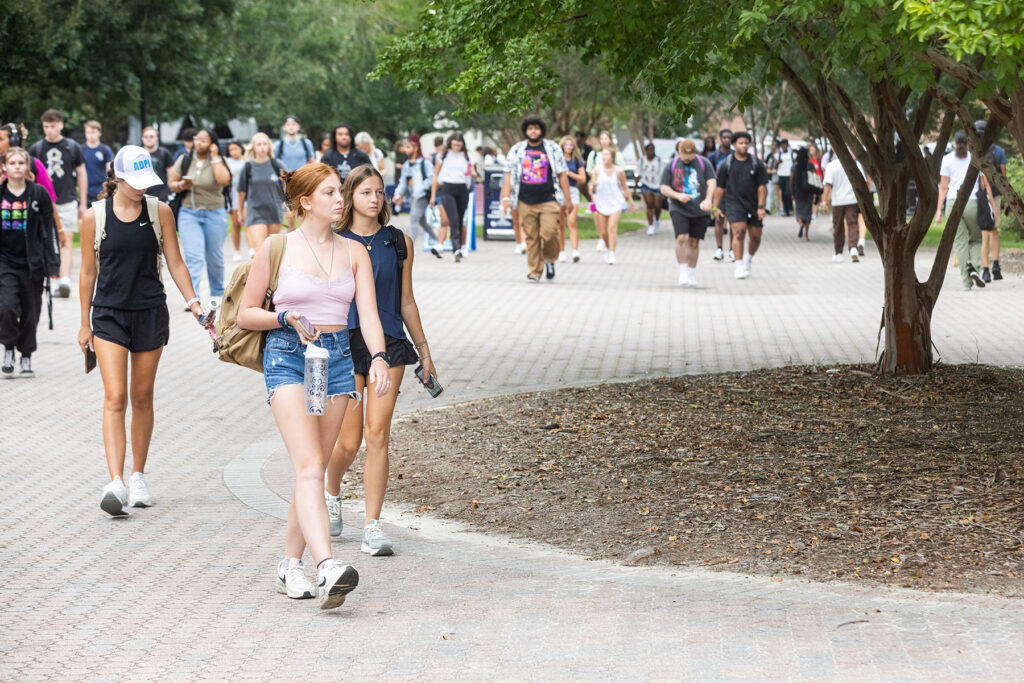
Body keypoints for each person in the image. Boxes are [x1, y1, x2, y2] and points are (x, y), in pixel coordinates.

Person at [236, 162, 390, 610]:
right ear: (305, 201)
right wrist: (283, 316)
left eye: (339, 192)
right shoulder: (277, 247)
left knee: (314, 471)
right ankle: (327, 565)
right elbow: (247, 313)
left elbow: (371, 315)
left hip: (338, 360)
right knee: (307, 466)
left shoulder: (353, 251)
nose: (339, 199)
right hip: (287, 356)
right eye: (328, 193)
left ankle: (289, 565)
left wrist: (378, 357)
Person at [76, 146, 209, 515]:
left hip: (150, 311)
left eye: (144, 182)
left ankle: (138, 475)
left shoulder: (159, 211)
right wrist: (83, 322)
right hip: (108, 315)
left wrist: (195, 303)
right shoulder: (94, 216)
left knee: (142, 396)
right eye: (133, 182)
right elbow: (88, 272)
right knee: (115, 396)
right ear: (116, 178)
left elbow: (176, 262)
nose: (140, 188)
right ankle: (115, 481)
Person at [325, 164, 437, 556]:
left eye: (380, 192)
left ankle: (373, 526)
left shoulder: (398, 241)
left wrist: (423, 350)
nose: (375, 200)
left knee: (377, 434)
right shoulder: (334, 241)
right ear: (349, 196)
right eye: (366, 193)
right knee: (348, 441)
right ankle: (331, 491)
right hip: (343, 343)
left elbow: (406, 300)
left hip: (389, 343)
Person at [0, 147, 59, 378]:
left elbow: (50, 230)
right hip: (5, 262)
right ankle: (8, 349)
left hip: (32, 264)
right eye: (11, 162)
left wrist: (53, 264)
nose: (16, 166)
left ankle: (26, 356)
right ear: (4, 167)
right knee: (6, 308)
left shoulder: (39, 194)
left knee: (30, 312)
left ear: (27, 167)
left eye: (20, 163)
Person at [500, 117, 573, 282]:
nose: (533, 131)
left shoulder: (552, 148)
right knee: (531, 237)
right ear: (525, 131)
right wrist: (505, 198)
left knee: (549, 233)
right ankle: (534, 272)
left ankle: (549, 259)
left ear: (541, 130)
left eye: (536, 128)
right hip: (524, 200)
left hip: (549, 199)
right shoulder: (517, 150)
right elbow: (508, 175)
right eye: (530, 129)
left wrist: (568, 200)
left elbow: (562, 174)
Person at [167, 128, 231, 308]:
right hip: (189, 213)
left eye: (204, 140)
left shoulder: (219, 160)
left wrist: (216, 156)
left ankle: (217, 292)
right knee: (193, 256)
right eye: (197, 139)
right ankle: (193, 297)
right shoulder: (185, 160)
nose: (199, 143)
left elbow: (224, 181)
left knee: (214, 256)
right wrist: (182, 184)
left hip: (215, 212)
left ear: (212, 143)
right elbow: (172, 184)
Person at [28, 108, 86, 298]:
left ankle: (64, 280)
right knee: (46, 239)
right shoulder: (37, 148)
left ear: (60, 124)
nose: (49, 130)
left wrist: (83, 202)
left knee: (66, 239)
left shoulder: (72, 146)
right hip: (43, 203)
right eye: (46, 126)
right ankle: (53, 279)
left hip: (67, 199)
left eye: (53, 126)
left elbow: (82, 173)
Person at [936, 130, 995, 291]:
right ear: (969, 144)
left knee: (959, 243)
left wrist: (939, 212)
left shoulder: (947, 160)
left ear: (955, 143)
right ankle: (975, 267)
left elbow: (943, 187)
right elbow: (984, 183)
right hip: (972, 203)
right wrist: (992, 206)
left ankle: (966, 282)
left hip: (953, 203)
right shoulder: (975, 158)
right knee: (976, 239)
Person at [660, 139, 716, 287]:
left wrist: (709, 199)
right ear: (678, 152)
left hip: (700, 208)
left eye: (690, 157)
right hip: (679, 207)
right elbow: (663, 187)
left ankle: (691, 274)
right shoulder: (671, 164)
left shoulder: (704, 163)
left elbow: (712, 182)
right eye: (684, 156)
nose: (687, 159)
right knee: (682, 237)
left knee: (694, 241)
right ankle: (683, 272)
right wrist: (678, 196)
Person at [712, 131, 768, 280]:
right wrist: (715, 207)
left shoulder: (756, 163)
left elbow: (762, 187)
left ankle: (748, 259)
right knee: (739, 232)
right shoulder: (726, 164)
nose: (744, 146)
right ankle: (738, 265)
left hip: (754, 204)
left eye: (746, 143)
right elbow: (720, 188)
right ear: (734, 145)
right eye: (741, 143)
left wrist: (761, 207)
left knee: (755, 237)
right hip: (734, 203)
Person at [430, 132, 475, 262]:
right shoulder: (443, 155)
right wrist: (433, 195)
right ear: (450, 143)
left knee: (460, 219)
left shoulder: (467, 156)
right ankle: (456, 249)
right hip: (447, 188)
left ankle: (460, 247)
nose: (456, 148)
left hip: (462, 188)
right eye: (454, 145)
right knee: (453, 219)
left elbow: (472, 173)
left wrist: (473, 173)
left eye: (459, 145)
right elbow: (435, 175)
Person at [238, 132, 286, 252]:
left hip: (274, 210)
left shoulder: (276, 165)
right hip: (255, 212)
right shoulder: (248, 167)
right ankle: (260, 270)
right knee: (260, 249)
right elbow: (242, 191)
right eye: (259, 144)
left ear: (269, 146)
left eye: (265, 144)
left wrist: (286, 203)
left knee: (273, 250)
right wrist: (240, 211)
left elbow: (286, 186)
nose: (262, 147)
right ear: (254, 147)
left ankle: (272, 271)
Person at [392, 134, 439, 249]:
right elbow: (402, 182)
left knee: (413, 218)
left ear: (416, 148)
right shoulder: (406, 165)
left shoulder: (425, 163)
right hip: (412, 197)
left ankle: (409, 248)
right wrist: (397, 194)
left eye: (408, 147)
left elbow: (432, 178)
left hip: (421, 196)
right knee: (422, 222)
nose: (406, 149)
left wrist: (422, 186)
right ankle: (439, 241)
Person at [975, 120, 1007, 282]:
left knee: (984, 234)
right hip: (995, 195)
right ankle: (996, 265)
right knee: (994, 231)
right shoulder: (999, 151)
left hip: (981, 197)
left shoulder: (975, 151)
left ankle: (985, 270)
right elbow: (1003, 177)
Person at [590, 148, 634, 265]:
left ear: (612, 157)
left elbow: (624, 187)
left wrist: (631, 201)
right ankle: (609, 249)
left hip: (616, 202)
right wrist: (594, 187)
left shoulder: (619, 171)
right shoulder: (596, 171)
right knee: (603, 232)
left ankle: (612, 253)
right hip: (601, 203)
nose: (604, 157)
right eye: (603, 155)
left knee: (612, 227)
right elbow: (592, 189)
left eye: (607, 154)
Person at [822, 151, 865, 263]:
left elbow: (827, 184)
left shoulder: (831, 166)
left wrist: (824, 201)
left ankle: (838, 253)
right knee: (852, 224)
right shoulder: (855, 164)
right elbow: (863, 181)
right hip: (852, 200)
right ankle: (853, 248)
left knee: (838, 226)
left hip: (837, 201)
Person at [558, 135, 585, 263]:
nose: (568, 147)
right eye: (566, 145)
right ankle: (561, 251)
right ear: (562, 146)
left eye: (571, 145)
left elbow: (583, 178)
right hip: (559, 191)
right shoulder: (557, 159)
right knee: (560, 224)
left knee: (572, 221)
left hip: (573, 191)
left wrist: (569, 173)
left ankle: (575, 250)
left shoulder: (576, 160)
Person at [707, 129, 734, 262]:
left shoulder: (735, 155)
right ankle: (719, 248)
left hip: (733, 191)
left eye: (729, 137)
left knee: (733, 221)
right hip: (718, 191)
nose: (727, 140)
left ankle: (733, 250)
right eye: (724, 137)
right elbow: (709, 175)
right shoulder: (714, 156)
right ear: (720, 138)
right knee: (719, 220)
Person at [224, 141, 248, 262]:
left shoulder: (247, 161)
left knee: (249, 223)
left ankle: (252, 248)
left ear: (241, 149)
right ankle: (237, 250)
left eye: (235, 149)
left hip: (247, 195)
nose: (233, 152)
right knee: (236, 224)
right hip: (233, 195)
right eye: (231, 150)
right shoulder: (227, 162)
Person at [791, 147, 820, 240]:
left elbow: (791, 180)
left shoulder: (794, 167)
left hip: (798, 192)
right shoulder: (810, 166)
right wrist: (817, 193)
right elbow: (816, 179)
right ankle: (806, 235)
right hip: (809, 192)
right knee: (808, 212)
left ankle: (800, 224)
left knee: (799, 211)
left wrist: (792, 193)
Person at [82, 121, 113, 206]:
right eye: (88, 132)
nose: (90, 135)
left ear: (99, 133)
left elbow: (109, 170)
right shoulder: (81, 150)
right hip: (86, 191)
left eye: (93, 132)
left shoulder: (105, 150)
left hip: (102, 191)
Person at [636, 142, 665, 235]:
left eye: (652, 150)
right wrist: (635, 188)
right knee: (649, 205)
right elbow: (638, 175)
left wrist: (664, 189)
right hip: (646, 184)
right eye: (648, 150)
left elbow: (663, 176)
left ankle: (656, 220)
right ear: (646, 151)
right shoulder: (641, 161)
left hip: (657, 185)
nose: (650, 152)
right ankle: (650, 226)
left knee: (657, 206)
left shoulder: (659, 161)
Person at [141, 126, 174, 203]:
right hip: (141, 195)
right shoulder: (137, 154)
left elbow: (171, 175)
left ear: (157, 138)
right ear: (142, 138)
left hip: (160, 196)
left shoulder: (165, 153)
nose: (149, 139)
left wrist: (170, 190)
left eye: (152, 136)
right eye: (146, 136)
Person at [774, 139, 794, 216]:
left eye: (785, 145)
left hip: (789, 176)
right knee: (783, 193)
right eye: (782, 145)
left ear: (787, 145)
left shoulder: (792, 155)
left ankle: (790, 208)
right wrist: (778, 163)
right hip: (781, 175)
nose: (783, 147)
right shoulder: (778, 155)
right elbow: (775, 167)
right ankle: (785, 210)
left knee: (788, 192)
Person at [807, 142, 825, 220]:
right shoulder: (809, 160)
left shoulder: (820, 159)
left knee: (817, 196)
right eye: (811, 150)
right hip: (811, 179)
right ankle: (813, 211)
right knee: (812, 196)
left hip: (818, 179)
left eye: (813, 150)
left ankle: (815, 212)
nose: (812, 152)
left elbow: (822, 170)